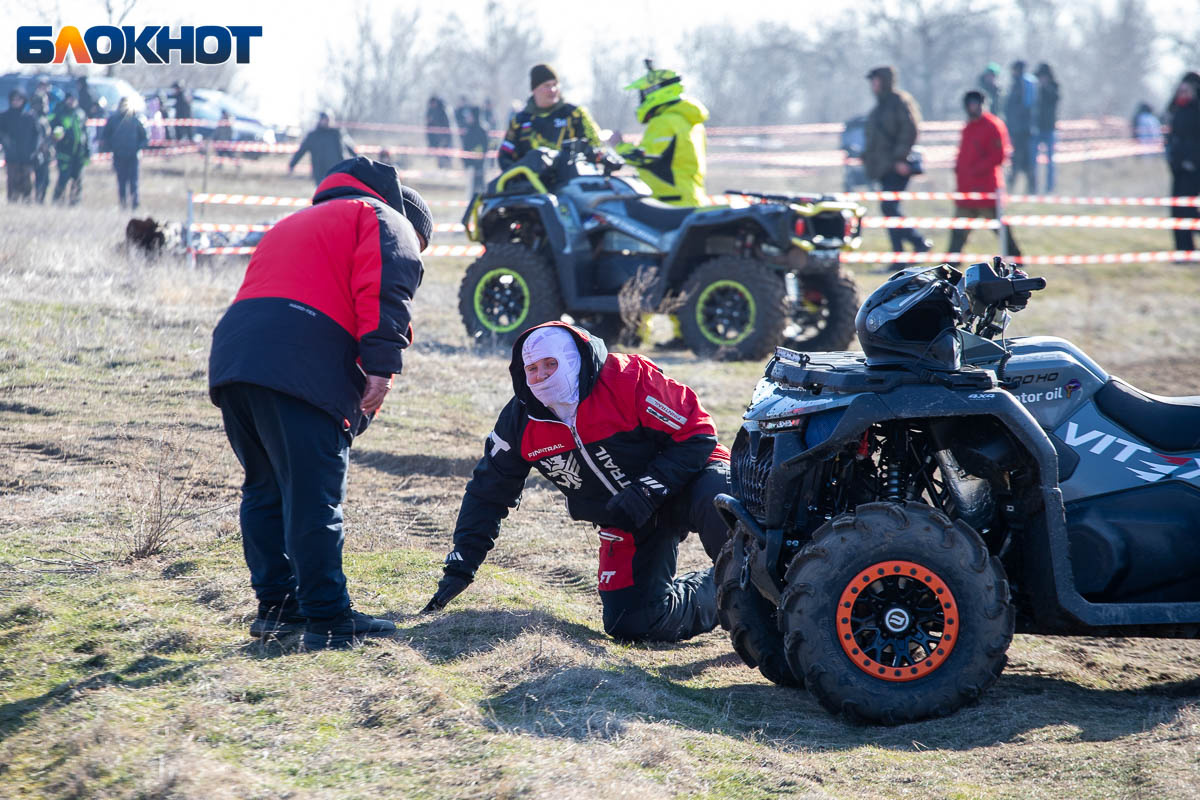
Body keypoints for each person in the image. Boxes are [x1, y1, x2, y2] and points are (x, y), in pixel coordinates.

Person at [208, 157, 433, 651]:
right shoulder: (384, 220)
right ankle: (328, 618)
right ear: (411, 227)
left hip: (235, 358)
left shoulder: (298, 221)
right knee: (314, 497)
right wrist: (382, 367)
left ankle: (278, 611)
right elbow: (384, 291)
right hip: (300, 359)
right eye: (420, 250)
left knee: (266, 489)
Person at [422, 322, 732, 643]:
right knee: (631, 622)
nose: (541, 375)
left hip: (690, 479)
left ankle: (755, 592)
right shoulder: (519, 421)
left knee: (724, 510)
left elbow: (698, 432)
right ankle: (725, 591)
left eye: (550, 364)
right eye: (532, 369)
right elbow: (488, 492)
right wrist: (462, 565)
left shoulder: (628, 377)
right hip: (629, 517)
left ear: (573, 358)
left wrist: (647, 490)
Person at [616, 62, 709, 207]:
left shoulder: (665, 121)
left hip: (668, 201)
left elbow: (644, 157)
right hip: (690, 198)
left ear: (653, 92)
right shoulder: (691, 121)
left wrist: (618, 146)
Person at [863, 65, 931, 262]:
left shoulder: (899, 102)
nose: (873, 84)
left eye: (876, 80)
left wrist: (900, 159)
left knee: (889, 208)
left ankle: (917, 242)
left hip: (896, 166)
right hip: (883, 167)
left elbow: (909, 131)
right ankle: (898, 255)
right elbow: (874, 138)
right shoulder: (880, 107)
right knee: (888, 209)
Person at [947, 91, 1022, 263]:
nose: (972, 108)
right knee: (959, 229)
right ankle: (951, 262)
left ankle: (1015, 257)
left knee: (999, 227)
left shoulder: (992, 125)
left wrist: (976, 170)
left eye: (976, 104)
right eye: (970, 104)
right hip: (966, 190)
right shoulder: (968, 127)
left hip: (986, 188)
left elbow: (998, 155)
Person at [497, 64, 602, 170]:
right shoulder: (519, 121)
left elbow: (596, 145)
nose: (552, 90)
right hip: (531, 178)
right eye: (547, 86)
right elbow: (505, 157)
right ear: (534, 89)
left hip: (572, 176)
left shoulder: (575, 114)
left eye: (555, 85)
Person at [1166, 72, 1200, 255]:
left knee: (1190, 210)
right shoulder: (1176, 110)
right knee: (1179, 210)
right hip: (1178, 169)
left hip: (1194, 169)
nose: (1183, 94)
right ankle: (1184, 250)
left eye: (1186, 91)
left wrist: (1192, 160)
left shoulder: (1196, 112)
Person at [101, 97, 148, 209]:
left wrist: (137, 148)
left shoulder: (136, 120)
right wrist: (112, 148)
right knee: (121, 182)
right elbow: (105, 137)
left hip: (133, 157)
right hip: (119, 156)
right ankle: (123, 205)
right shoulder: (113, 120)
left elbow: (144, 138)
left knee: (133, 182)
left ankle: (135, 205)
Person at [287, 110, 357, 185]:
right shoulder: (313, 136)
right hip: (320, 172)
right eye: (325, 119)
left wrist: (358, 160)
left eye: (330, 119)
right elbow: (301, 151)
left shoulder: (337, 133)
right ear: (320, 120)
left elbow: (350, 148)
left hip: (338, 171)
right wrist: (292, 164)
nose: (328, 121)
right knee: (324, 191)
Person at [0, 89, 41, 202]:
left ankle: (26, 203)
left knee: (27, 183)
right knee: (12, 181)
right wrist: (6, 144)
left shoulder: (30, 116)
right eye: (14, 99)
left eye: (19, 99)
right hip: (11, 156)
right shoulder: (4, 116)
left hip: (27, 156)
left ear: (23, 100)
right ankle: (12, 203)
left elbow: (37, 134)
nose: (16, 102)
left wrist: (34, 150)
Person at [1004, 60, 1038, 193]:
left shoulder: (1021, 85)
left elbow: (1019, 108)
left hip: (1020, 131)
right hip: (1022, 130)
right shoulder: (1025, 84)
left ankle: (1015, 188)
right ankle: (1028, 189)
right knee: (1023, 162)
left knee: (1019, 161)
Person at [50, 93, 89, 205]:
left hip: (79, 154)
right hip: (65, 153)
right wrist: (56, 135)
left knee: (77, 180)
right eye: (69, 99)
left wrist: (87, 151)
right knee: (63, 179)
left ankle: (75, 203)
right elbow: (52, 129)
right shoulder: (60, 113)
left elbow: (86, 133)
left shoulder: (81, 113)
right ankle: (57, 202)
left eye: (74, 99)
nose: (71, 102)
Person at [1033, 63, 1059, 194]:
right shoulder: (1035, 90)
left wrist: (1045, 88)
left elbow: (1055, 99)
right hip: (1037, 129)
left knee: (1050, 162)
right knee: (1033, 161)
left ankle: (1049, 188)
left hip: (1049, 129)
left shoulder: (1054, 88)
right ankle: (1034, 187)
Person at [29, 93, 53, 204]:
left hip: (45, 154)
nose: (45, 105)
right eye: (43, 103)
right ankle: (35, 201)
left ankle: (40, 201)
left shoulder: (45, 119)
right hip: (36, 154)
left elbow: (47, 137)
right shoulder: (32, 118)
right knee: (37, 180)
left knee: (45, 180)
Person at [460, 105, 488, 197]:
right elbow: (465, 147)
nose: (467, 118)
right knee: (470, 191)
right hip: (469, 166)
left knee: (480, 190)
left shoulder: (481, 131)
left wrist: (478, 159)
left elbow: (484, 148)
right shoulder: (468, 130)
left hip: (479, 167)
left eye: (470, 116)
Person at [425, 96, 452, 169]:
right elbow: (428, 123)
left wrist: (445, 136)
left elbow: (446, 124)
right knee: (437, 153)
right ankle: (440, 166)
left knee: (444, 152)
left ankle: (447, 166)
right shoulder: (430, 111)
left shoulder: (442, 111)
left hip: (443, 136)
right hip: (434, 137)